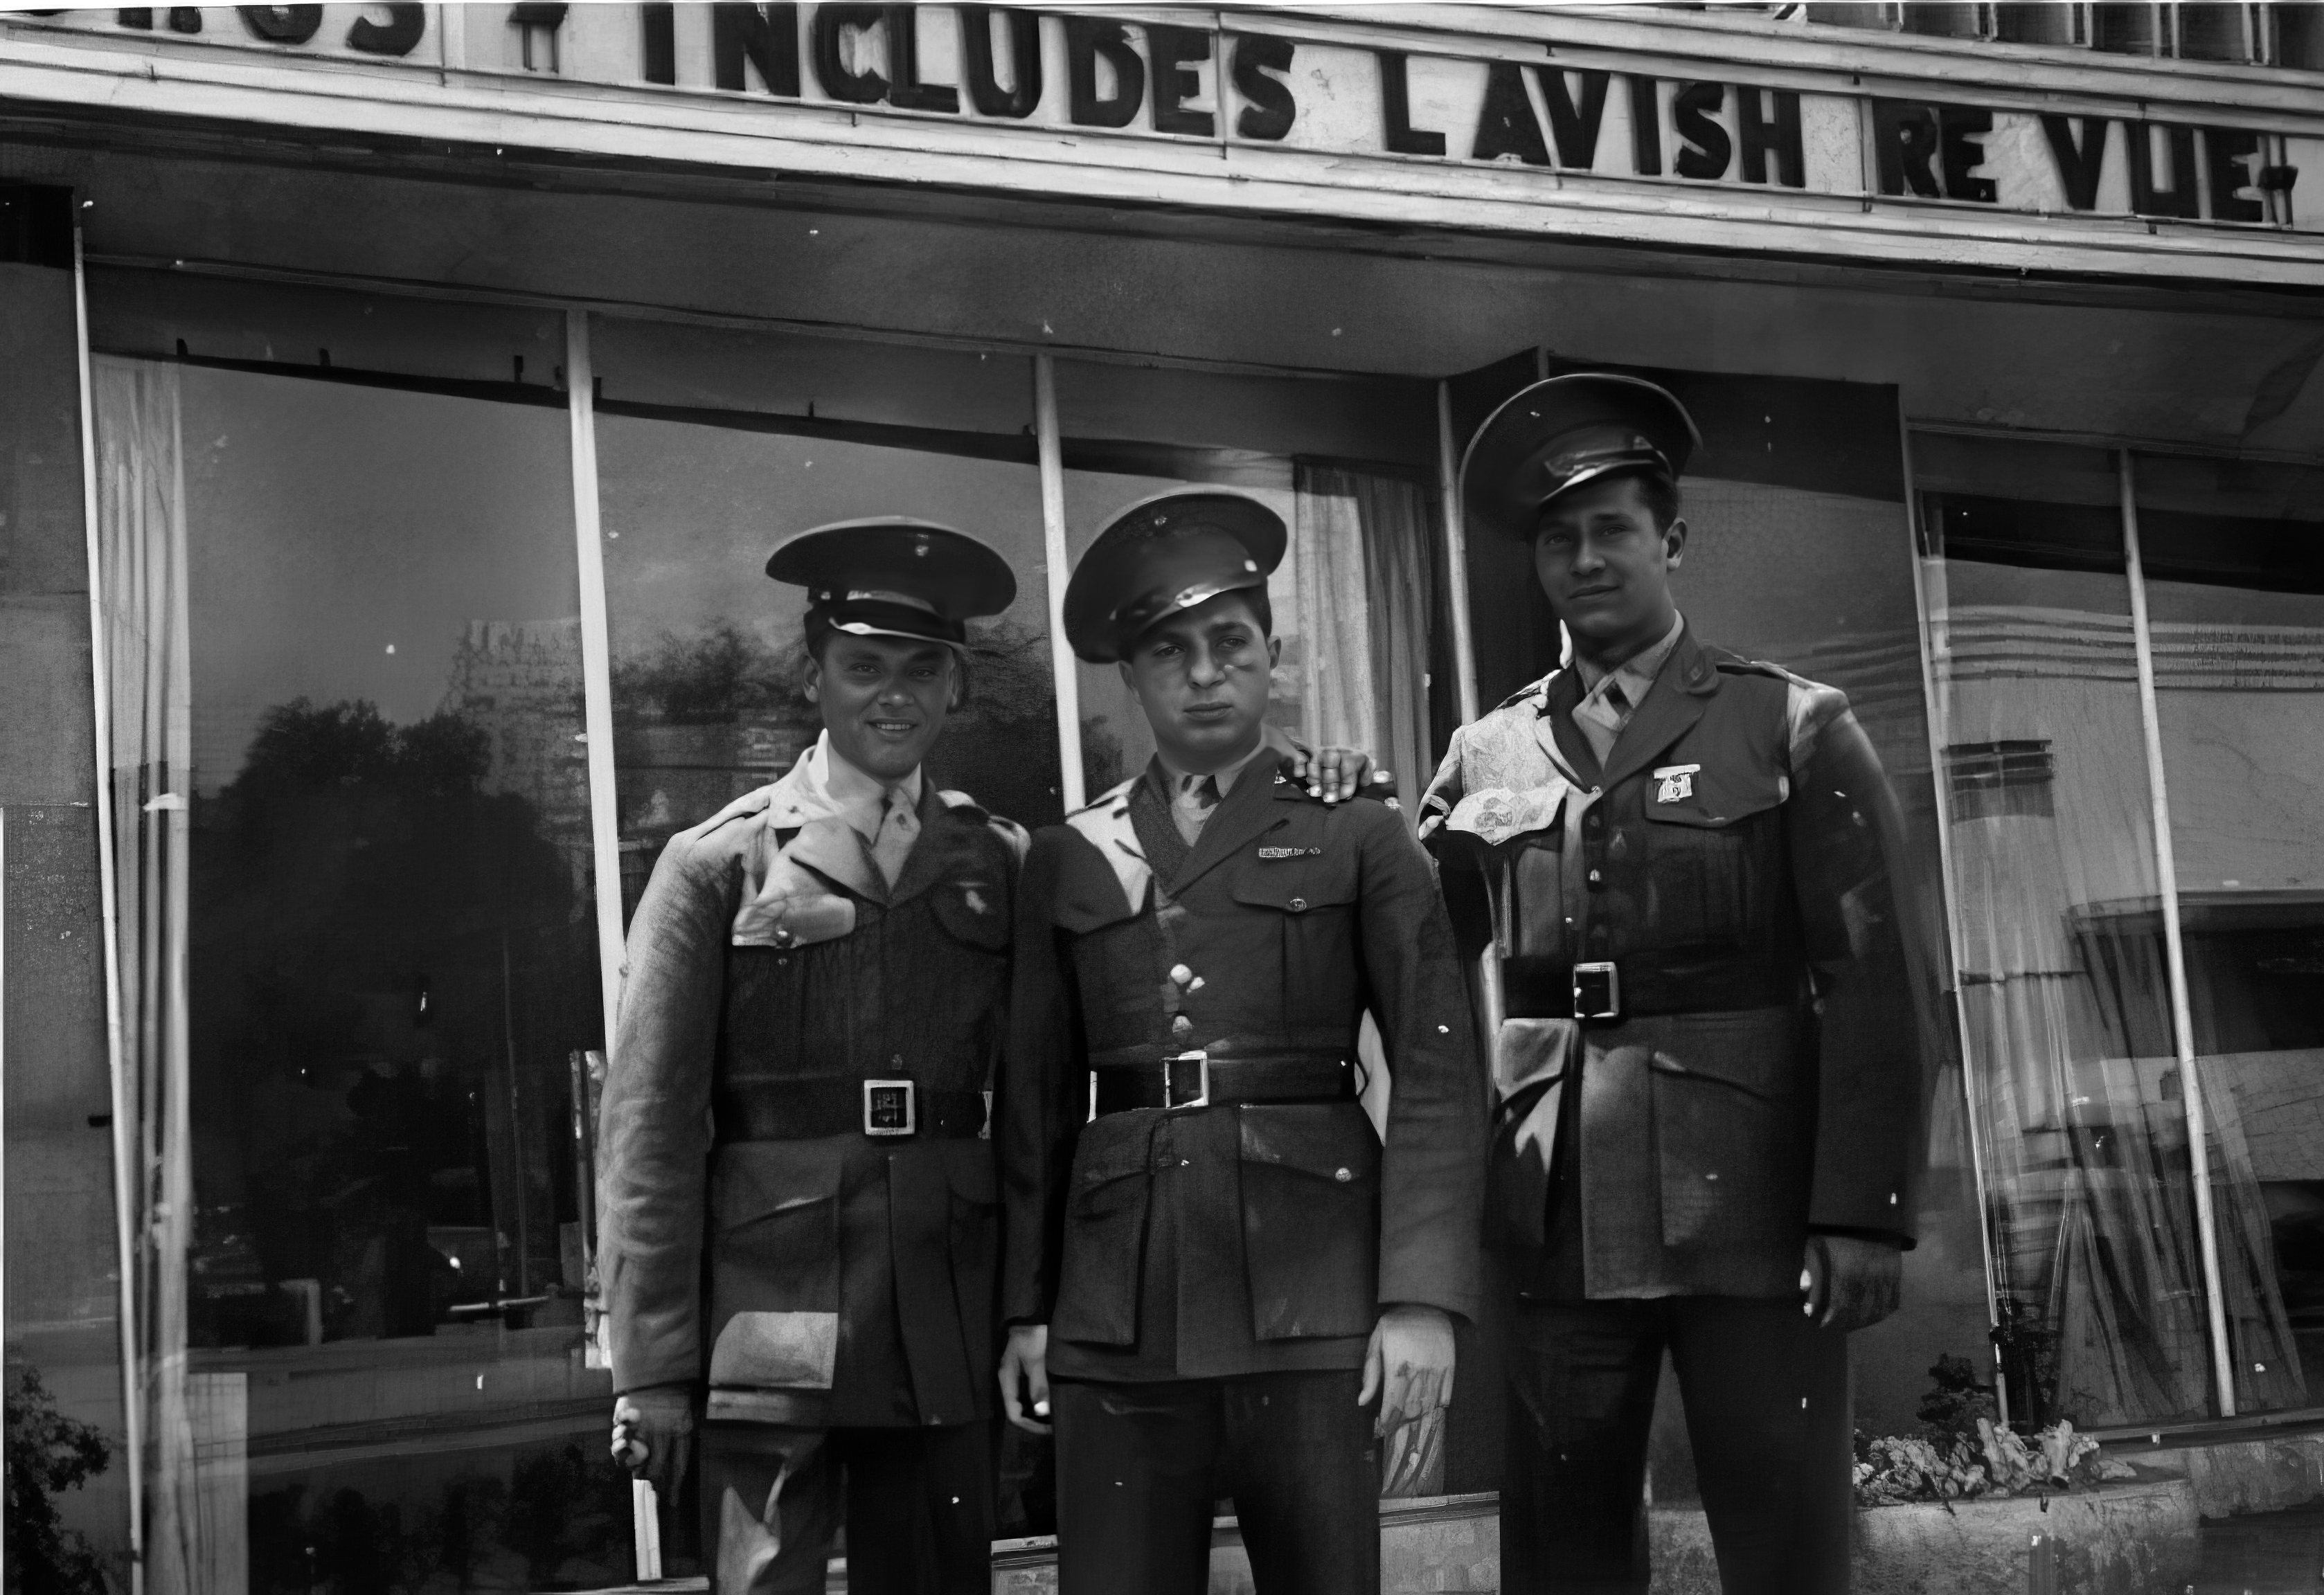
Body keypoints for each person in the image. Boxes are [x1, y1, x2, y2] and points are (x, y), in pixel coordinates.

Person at [595, 517, 1380, 1594]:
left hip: (939, 1309)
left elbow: (1033, 1106)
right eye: (864, 665)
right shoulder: (714, 863)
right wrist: (650, 1367)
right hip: (771, 1316)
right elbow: (647, 1131)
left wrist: (1295, 761)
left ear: (958, 687)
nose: (894, 696)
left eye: (925, 670)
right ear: (810, 672)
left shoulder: (1000, 860)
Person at [1420, 375, 1934, 1594]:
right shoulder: (1484, 752)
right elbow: (1417, 973)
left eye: (1613, 530)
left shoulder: (1792, 727)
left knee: (1784, 1543)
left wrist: (1861, 1211)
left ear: (1673, 541)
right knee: (1562, 1551)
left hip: (1746, 1206)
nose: (1584, 559)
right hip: (1554, 1217)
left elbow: (1877, 980)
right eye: (1557, 538)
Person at [996, 489, 1485, 1595]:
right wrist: (1027, 1309)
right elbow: (1031, 1109)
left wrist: (1420, 1298)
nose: (1205, 672)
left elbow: (1442, 1071)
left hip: (1314, 1299)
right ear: (1130, 677)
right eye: (1170, 651)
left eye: (1230, 643)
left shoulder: (1358, 828)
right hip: (1116, 1315)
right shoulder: (1068, 858)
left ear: (1273, 654)